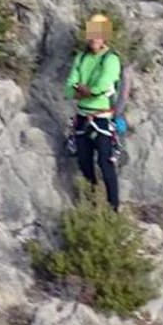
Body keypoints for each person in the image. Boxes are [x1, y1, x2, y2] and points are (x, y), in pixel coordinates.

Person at [64, 14, 122, 211]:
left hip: (102, 119)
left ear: (105, 37)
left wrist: (84, 90)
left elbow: (104, 84)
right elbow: (69, 86)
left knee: (106, 164)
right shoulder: (81, 58)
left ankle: (113, 207)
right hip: (82, 118)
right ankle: (92, 203)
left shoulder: (111, 59)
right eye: (91, 35)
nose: (94, 39)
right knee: (84, 162)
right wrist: (82, 91)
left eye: (98, 35)